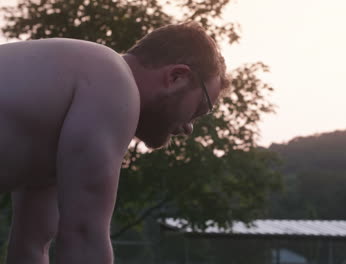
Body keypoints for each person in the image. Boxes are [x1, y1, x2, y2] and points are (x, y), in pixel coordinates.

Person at [0, 21, 229, 264]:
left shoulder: (64, 109)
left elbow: (31, 246)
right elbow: (84, 236)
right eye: (200, 108)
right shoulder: (113, 82)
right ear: (176, 77)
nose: (189, 127)